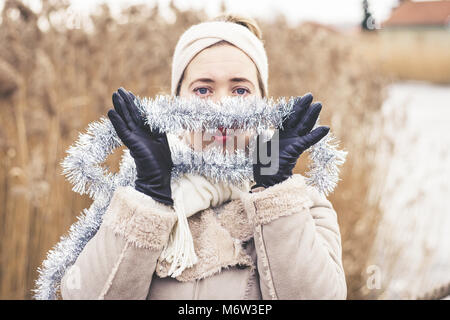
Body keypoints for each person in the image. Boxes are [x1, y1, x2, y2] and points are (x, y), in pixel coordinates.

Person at [60, 14, 347, 300]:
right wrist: (150, 194)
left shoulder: (305, 207)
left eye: (240, 90)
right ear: (176, 101)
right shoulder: (127, 202)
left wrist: (274, 190)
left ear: (263, 102)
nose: (221, 107)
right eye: (202, 90)